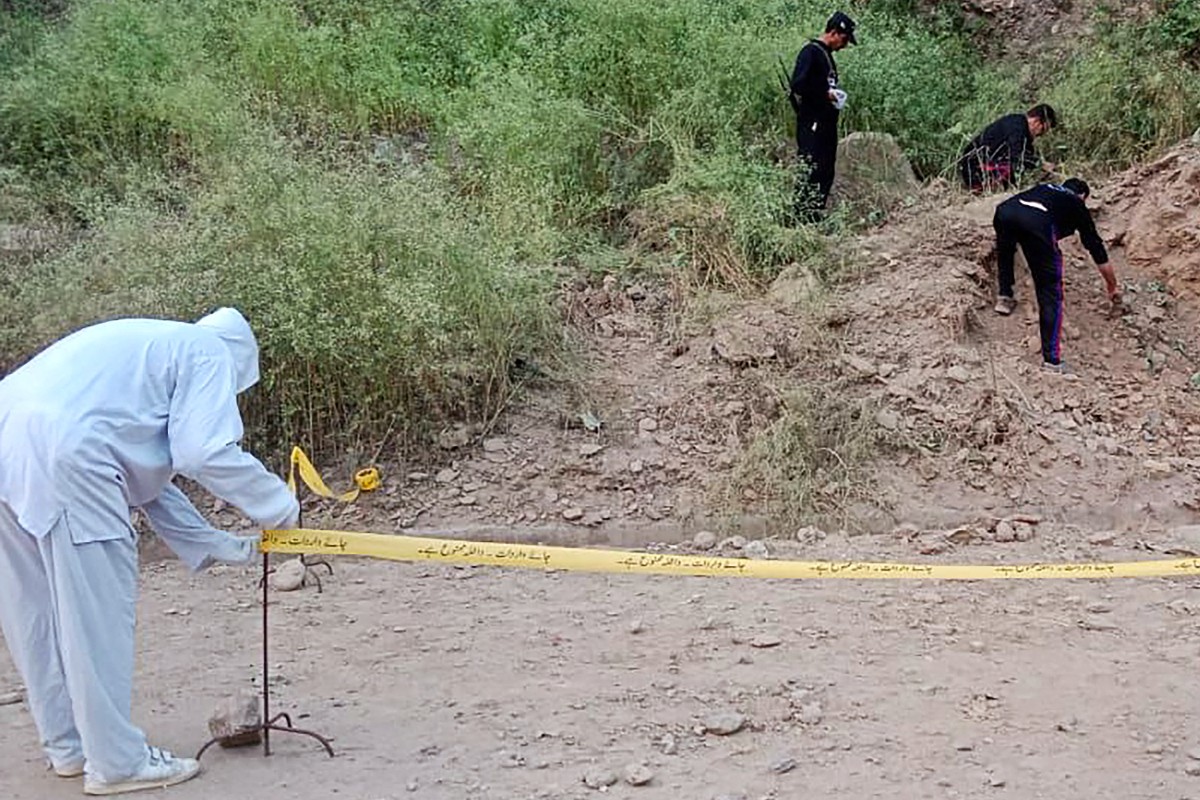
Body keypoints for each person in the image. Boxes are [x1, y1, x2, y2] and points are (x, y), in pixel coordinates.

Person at [0, 308, 299, 795]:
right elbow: (203, 453)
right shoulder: (206, 353)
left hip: (7, 433)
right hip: (69, 453)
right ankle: (117, 763)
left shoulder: (144, 354)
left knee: (31, 610)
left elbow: (152, 485)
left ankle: (68, 747)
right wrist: (281, 509)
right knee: (95, 615)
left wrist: (220, 545)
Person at [992, 179, 1118, 373]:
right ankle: (1052, 360)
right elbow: (1096, 248)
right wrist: (1112, 285)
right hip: (1037, 222)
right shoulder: (1076, 204)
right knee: (1050, 292)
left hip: (1005, 211)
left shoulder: (1045, 188)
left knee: (1005, 250)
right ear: (1082, 196)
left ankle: (1005, 296)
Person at [789, 10, 857, 219]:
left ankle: (815, 213)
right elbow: (798, 84)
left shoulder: (826, 55)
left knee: (825, 169)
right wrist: (825, 93)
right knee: (811, 166)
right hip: (812, 122)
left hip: (826, 123)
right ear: (834, 33)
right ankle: (800, 215)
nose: (844, 45)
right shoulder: (811, 51)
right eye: (844, 39)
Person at [959, 104, 1058, 193]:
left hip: (976, 166)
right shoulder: (1017, 127)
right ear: (1036, 121)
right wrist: (1041, 164)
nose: (1042, 134)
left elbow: (1024, 154)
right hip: (975, 169)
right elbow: (1017, 155)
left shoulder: (1018, 125)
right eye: (1043, 129)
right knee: (1011, 167)